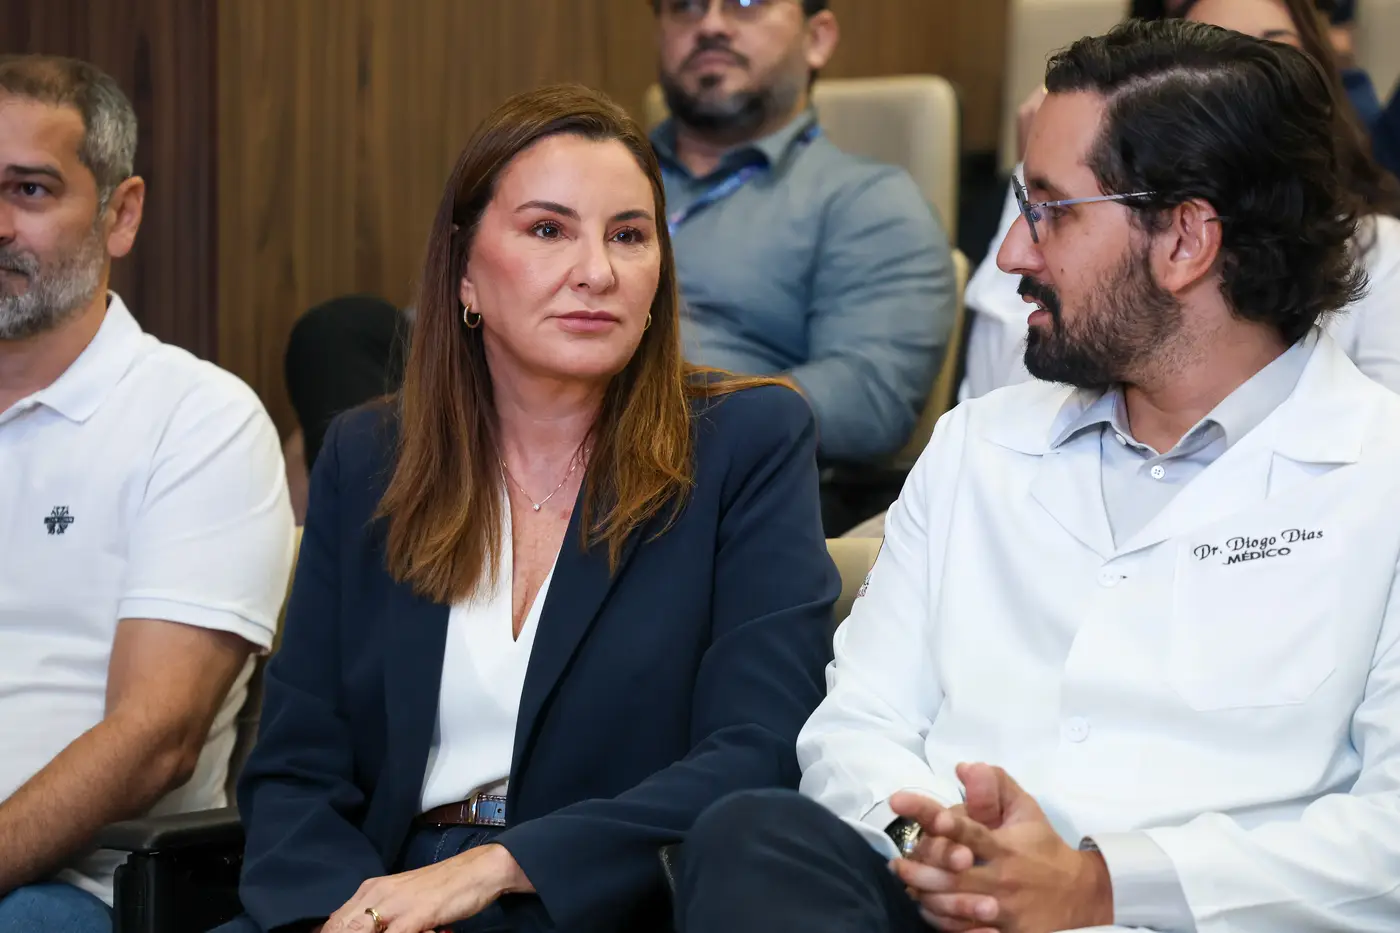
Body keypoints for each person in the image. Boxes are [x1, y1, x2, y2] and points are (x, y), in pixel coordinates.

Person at [675, 19, 1400, 933]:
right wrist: (941, 849)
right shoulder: (977, 444)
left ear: (1186, 240)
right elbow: (855, 726)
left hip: (1187, 919)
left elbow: (1387, 841)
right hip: (937, 904)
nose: (1013, 252)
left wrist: (1099, 884)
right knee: (750, 838)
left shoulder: (1379, 475)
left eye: (1052, 210)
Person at [216, 84, 836, 933]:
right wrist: (349, 915)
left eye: (629, 235)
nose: (597, 271)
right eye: (549, 230)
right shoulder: (369, 455)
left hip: (590, 901)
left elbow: (758, 751)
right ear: (465, 272)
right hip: (375, 900)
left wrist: (499, 866)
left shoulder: (747, 440)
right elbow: (296, 766)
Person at [282, 0, 955, 536]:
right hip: (505, 420)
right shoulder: (588, 164)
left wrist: (642, 396)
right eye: (684, 6)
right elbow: (454, 315)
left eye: (746, 3)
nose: (711, 24)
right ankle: (405, 551)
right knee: (341, 334)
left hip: (688, 462)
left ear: (819, 37)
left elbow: (869, 397)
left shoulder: (868, 201)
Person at [0, 56, 294, 932]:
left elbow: (154, 739)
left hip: (73, 892)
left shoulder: (197, 420)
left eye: (30, 190)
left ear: (121, 213)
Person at [970, 0, 1400, 402]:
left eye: (1268, 55)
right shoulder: (974, 436)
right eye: (1206, 61)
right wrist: (1044, 174)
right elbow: (998, 391)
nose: (1235, 90)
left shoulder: (1372, 449)